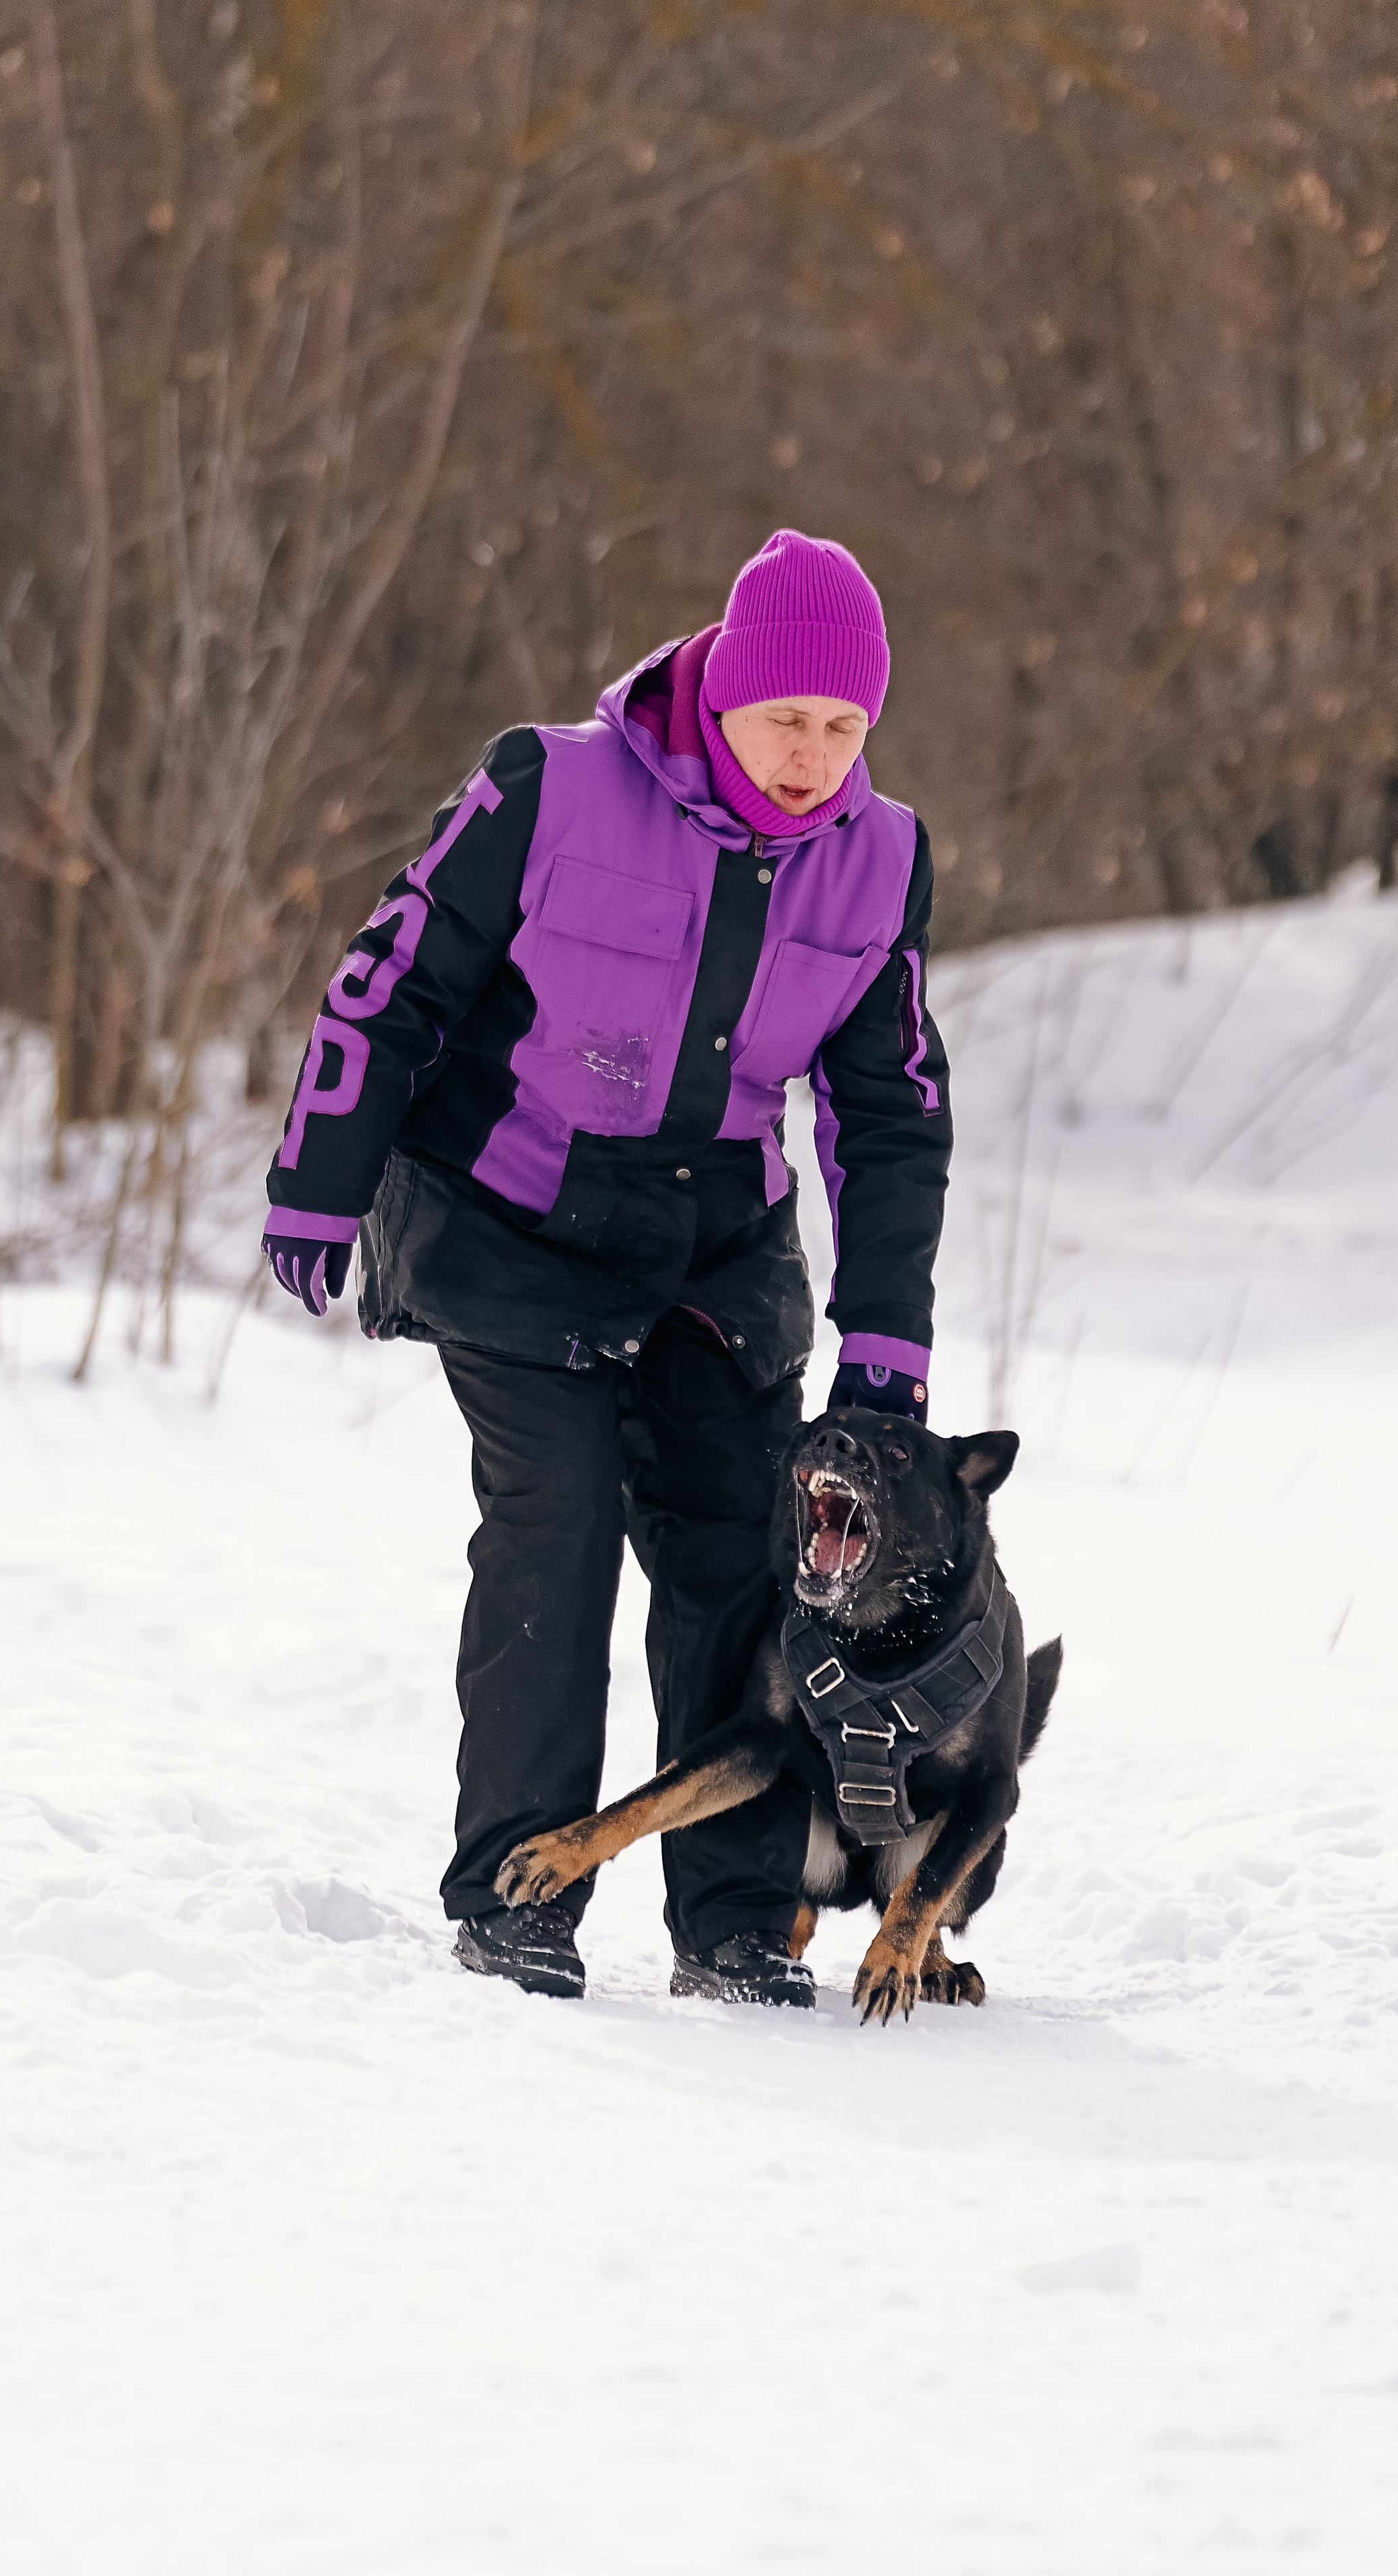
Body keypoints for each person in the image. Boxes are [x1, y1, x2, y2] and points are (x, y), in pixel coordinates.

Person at [263, 528, 953, 2006]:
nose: (810, 757)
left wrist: (886, 1338)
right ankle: (516, 1891)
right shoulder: (547, 788)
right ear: (718, 694)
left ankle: (731, 1919)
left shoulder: (878, 860)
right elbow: (385, 989)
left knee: (734, 1562)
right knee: (554, 1528)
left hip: (715, 1241)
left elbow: (888, 1113)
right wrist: (319, 1190)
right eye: (785, 721)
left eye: (844, 729)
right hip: (509, 1219)